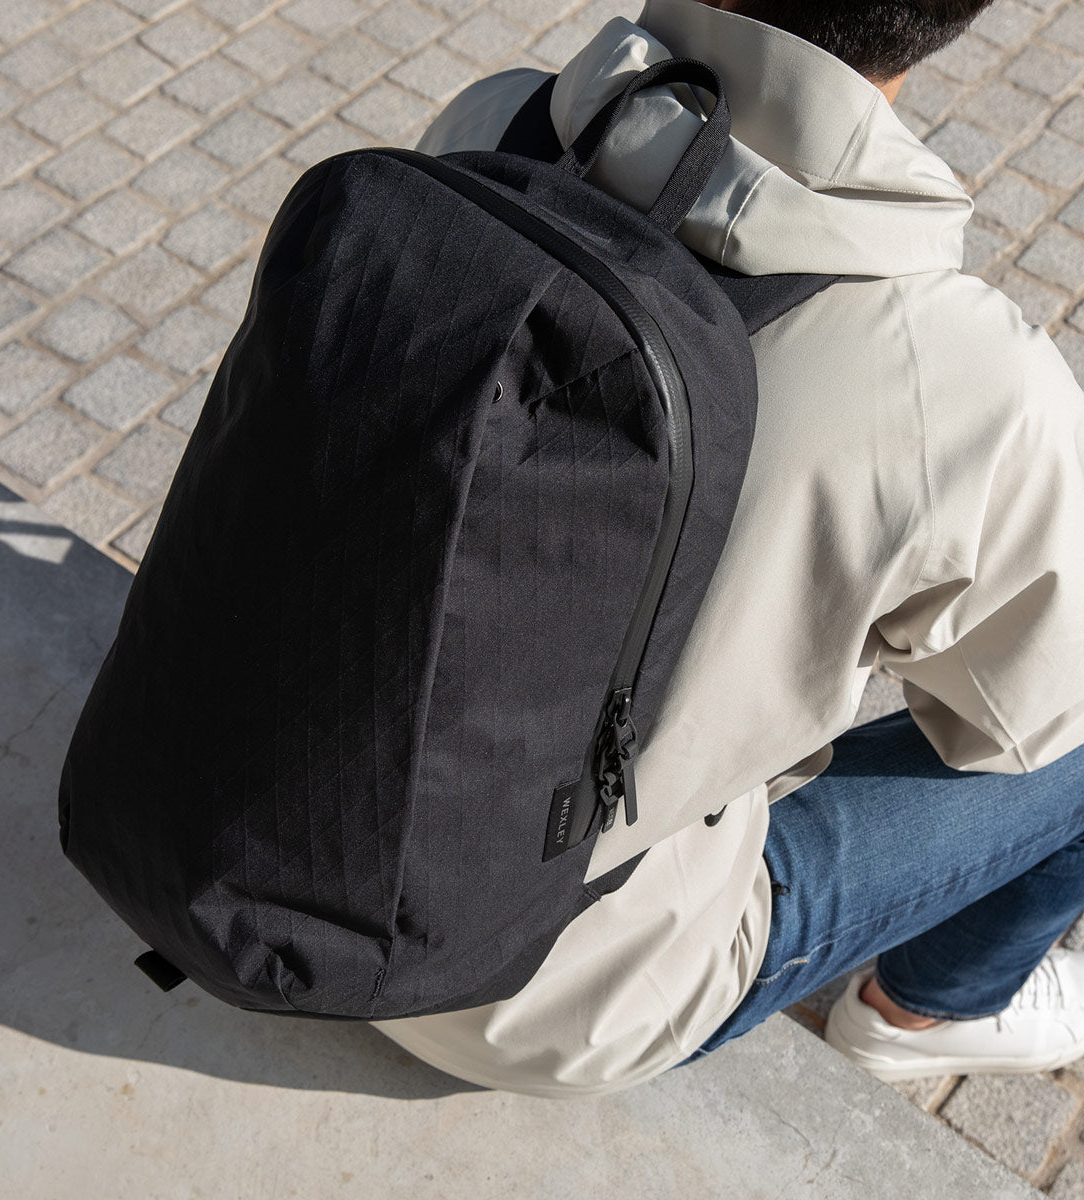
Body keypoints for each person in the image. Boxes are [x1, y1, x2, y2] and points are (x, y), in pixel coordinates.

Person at [370, 0, 1084, 1096]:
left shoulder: (495, 125)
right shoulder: (970, 382)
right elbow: (1021, 724)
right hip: (536, 995)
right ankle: (930, 1009)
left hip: (264, 825)